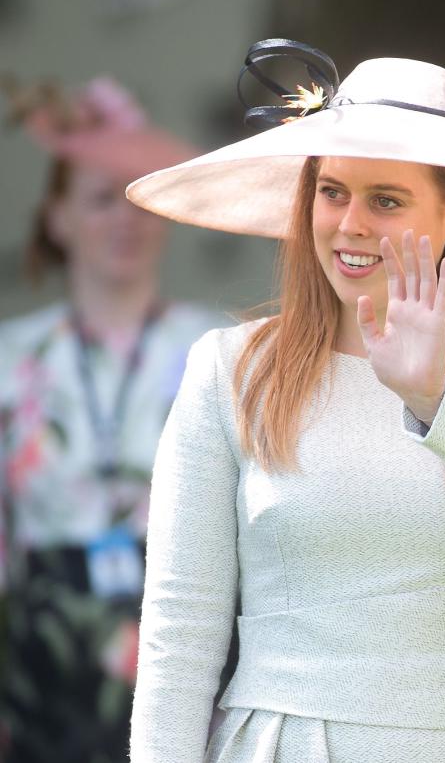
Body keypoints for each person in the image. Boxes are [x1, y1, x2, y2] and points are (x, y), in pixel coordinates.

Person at [125, 40, 445, 762]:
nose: (350, 224)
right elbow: (181, 626)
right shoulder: (231, 367)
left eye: (386, 200)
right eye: (332, 192)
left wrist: (436, 402)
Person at [0, 77, 219, 762]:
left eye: (140, 200)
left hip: (185, 644)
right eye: (101, 200)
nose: (126, 221)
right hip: (45, 660)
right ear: (57, 217)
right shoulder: (11, 356)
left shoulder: (218, 349)